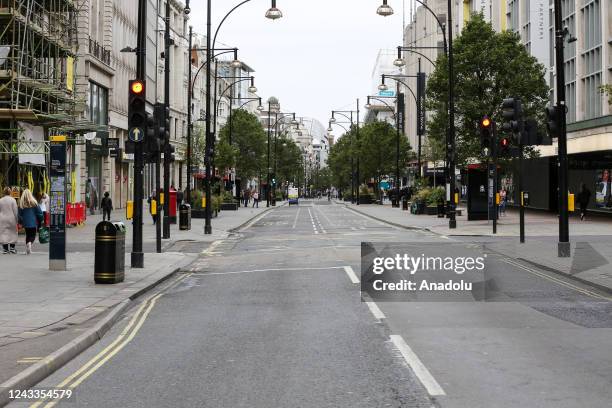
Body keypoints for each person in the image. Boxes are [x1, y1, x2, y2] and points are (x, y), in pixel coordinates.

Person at [18, 189, 42, 255]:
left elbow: (19, 214)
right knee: (33, 235)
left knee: (28, 235)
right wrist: (41, 220)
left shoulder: (21, 203)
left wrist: (20, 222)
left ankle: (28, 250)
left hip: (25, 222)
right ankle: (30, 243)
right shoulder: (34, 202)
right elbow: (39, 212)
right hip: (33, 222)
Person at [0, 187, 18, 254]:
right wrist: (17, 220)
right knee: (13, 232)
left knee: (3, 233)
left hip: (2, 218)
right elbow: (15, 211)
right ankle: (12, 248)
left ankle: (5, 249)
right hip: (11, 218)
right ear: (10, 192)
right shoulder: (13, 200)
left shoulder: (1, 200)